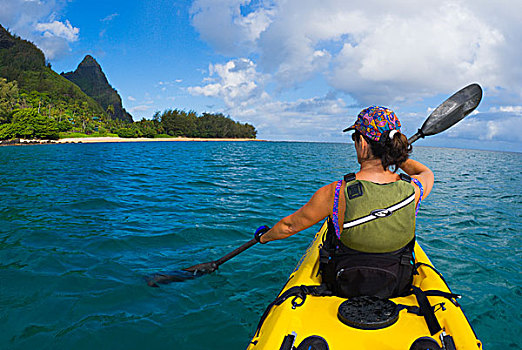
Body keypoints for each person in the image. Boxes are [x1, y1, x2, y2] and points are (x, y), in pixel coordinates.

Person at [255, 106, 434, 298]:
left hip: (344, 285)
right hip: (396, 285)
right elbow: (426, 173)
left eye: (355, 138)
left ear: (363, 143)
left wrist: (264, 237)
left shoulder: (336, 192)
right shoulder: (413, 190)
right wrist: (397, 158)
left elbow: (289, 227)